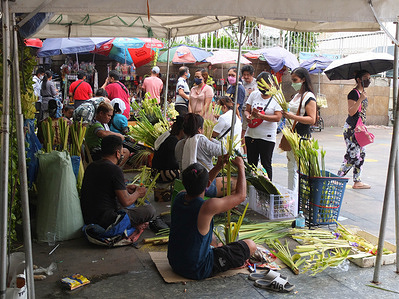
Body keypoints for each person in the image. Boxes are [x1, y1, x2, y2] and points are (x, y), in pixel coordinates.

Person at [167, 157, 256, 280]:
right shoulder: (207, 207)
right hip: (197, 269)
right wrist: (241, 167)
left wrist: (218, 167)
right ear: (208, 184)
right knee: (251, 245)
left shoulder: (180, 196)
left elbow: (203, 185)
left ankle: (214, 249)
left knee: (211, 237)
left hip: (175, 263)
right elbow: (241, 196)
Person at [80, 135, 155, 230]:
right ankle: (126, 224)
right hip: (108, 221)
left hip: (89, 217)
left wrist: (125, 189)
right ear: (117, 153)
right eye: (122, 151)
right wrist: (138, 193)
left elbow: (103, 189)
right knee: (149, 210)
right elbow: (126, 202)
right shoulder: (115, 169)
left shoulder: (91, 166)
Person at [175, 113, 234, 198]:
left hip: (185, 184)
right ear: (199, 129)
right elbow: (223, 150)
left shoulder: (179, 144)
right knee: (235, 182)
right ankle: (221, 208)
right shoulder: (201, 140)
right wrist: (212, 139)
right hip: (203, 185)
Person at [282, 67, 317, 190]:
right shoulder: (297, 95)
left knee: (299, 167)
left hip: (301, 136)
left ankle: (298, 196)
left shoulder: (309, 96)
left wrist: (292, 116)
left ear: (303, 80)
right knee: (291, 166)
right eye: (292, 80)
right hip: (291, 135)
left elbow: (312, 119)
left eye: (295, 80)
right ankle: (292, 194)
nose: (293, 83)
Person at [244, 72, 282, 181]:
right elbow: (247, 110)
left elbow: (278, 117)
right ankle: (251, 188)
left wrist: (261, 116)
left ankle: (267, 190)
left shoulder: (277, 98)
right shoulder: (254, 95)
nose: (261, 88)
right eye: (259, 85)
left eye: (263, 85)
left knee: (266, 164)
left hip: (267, 136)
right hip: (251, 134)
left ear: (271, 84)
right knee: (251, 164)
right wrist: (248, 116)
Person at [337, 70, 371, 189]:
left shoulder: (363, 93)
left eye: (369, 78)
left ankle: (357, 181)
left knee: (361, 154)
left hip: (360, 129)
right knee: (353, 155)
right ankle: (338, 177)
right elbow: (351, 112)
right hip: (352, 128)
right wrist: (360, 99)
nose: (369, 80)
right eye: (366, 78)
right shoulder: (353, 93)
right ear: (358, 79)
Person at [85, 101, 129, 166]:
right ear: (101, 113)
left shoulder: (100, 123)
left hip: (100, 151)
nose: (110, 118)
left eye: (111, 116)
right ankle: (113, 169)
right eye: (108, 115)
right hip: (96, 153)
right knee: (123, 152)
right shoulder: (95, 124)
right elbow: (102, 133)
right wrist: (118, 135)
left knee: (123, 150)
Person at [152, 116, 185, 183]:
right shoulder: (172, 141)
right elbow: (172, 163)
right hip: (161, 173)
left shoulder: (169, 135)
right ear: (182, 130)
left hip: (158, 170)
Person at [240, 65, 258, 156]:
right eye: (244, 75)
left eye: (248, 74)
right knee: (243, 131)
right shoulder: (241, 83)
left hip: (254, 110)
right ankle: (246, 151)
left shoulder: (257, 83)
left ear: (252, 74)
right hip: (243, 109)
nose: (246, 77)